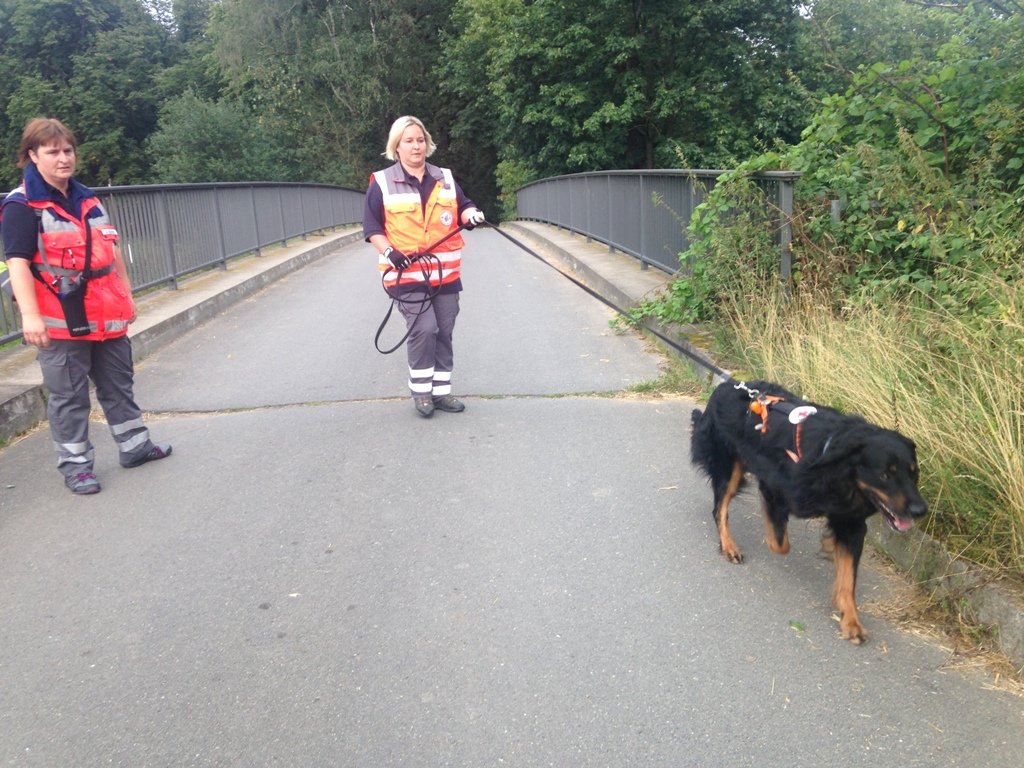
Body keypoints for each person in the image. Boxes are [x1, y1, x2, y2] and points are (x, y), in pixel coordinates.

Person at [0, 117, 171, 495]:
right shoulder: (22, 205)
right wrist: (30, 317)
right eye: (52, 152)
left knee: (118, 385)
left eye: (67, 150)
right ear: (32, 155)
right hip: (60, 320)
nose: (63, 158)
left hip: (106, 314)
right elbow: (18, 264)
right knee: (69, 397)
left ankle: (134, 446)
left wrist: (127, 294)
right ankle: (77, 467)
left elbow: (111, 250)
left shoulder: (87, 198)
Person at [363, 115, 486, 418]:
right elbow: (372, 226)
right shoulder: (381, 182)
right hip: (405, 275)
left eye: (420, 140)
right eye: (409, 141)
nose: (416, 146)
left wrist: (470, 214)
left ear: (427, 143)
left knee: (444, 330)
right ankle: (422, 393)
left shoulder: (444, 177)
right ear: (397, 147)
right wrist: (389, 252)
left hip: (445, 273)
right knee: (425, 328)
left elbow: (464, 204)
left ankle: (442, 392)